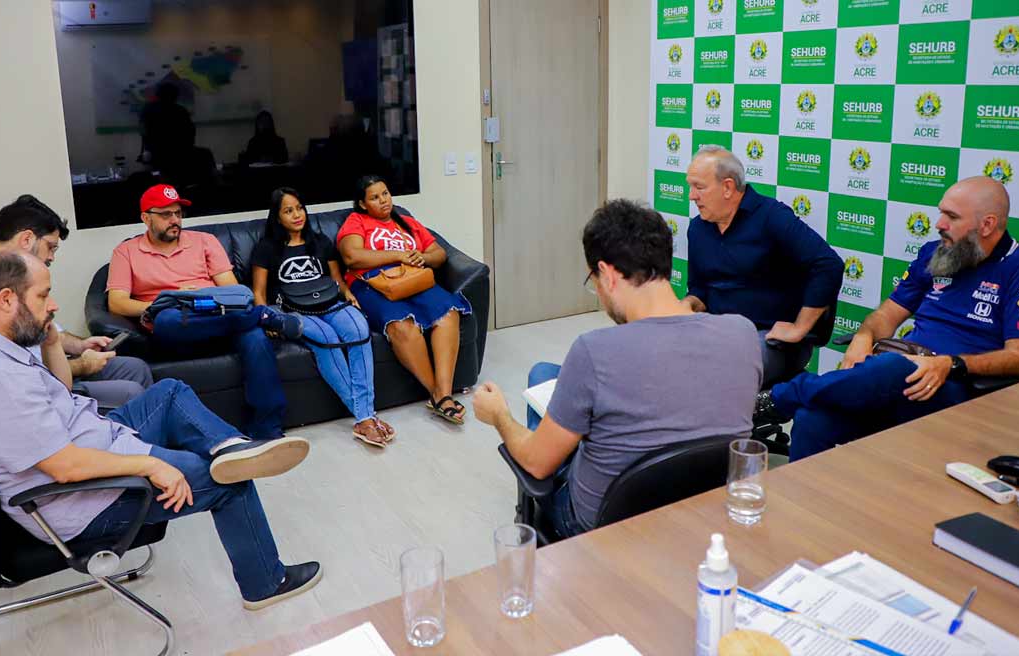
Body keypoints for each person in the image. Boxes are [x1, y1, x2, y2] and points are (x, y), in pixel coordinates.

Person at [0, 251, 320, 609]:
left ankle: (230, 446)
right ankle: (266, 582)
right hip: (84, 499)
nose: (53, 304)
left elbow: (60, 394)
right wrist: (150, 465)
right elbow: (64, 467)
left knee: (169, 392)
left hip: (92, 440)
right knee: (228, 481)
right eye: (43, 295)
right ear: (7, 299)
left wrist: (52, 343)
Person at [472, 199, 762, 539]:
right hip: (707, 509)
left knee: (543, 416)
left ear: (608, 275)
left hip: (605, 525)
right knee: (543, 373)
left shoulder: (593, 352)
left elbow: (537, 464)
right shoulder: (743, 333)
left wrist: (499, 416)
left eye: (593, 279)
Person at [756, 177, 1019, 461]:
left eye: (952, 217)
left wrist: (951, 364)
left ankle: (778, 399)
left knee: (893, 366)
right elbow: (887, 314)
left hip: (961, 387)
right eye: (940, 213)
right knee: (812, 418)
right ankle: (802, 506)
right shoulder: (935, 253)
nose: (939, 224)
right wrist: (863, 337)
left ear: (987, 224)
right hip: (905, 376)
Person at [106, 184, 302, 440]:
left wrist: (198, 299)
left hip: (218, 319)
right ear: (146, 218)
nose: (174, 220)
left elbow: (232, 290)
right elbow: (117, 303)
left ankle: (267, 429)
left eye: (178, 213)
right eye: (166, 215)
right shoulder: (126, 251)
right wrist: (170, 302)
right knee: (167, 319)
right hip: (178, 331)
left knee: (255, 337)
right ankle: (262, 316)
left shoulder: (204, 241)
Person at [683, 146, 843, 387]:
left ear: (727, 187)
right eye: (690, 186)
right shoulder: (698, 228)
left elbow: (828, 265)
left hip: (768, 338)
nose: (691, 196)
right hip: (718, 332)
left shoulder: (772, 217)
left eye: (699, 187)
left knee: (716, 372)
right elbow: (700, 288)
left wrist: (800, 327)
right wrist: (686, 305)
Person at [251, 188, 395, 447]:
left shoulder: (320, 241)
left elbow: (336, 279)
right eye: (288, 210)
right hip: (291, 309)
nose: (297, 215)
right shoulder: (266, 248)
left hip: (329, 302)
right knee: (327, 338)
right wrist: (266, 318)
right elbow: (259, 292)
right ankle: (366, 416)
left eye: (299, 208)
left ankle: (365, 418)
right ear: (277, 216)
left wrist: (348, 294)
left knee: (359, 330)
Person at [0, 194, 153, 409]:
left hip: (56, 367)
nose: (52, 257)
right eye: (51, 247)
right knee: (131, 392)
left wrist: (81, 345)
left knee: (135, 368)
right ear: (26, 239)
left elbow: (48, 332)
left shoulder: (22, 276)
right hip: (36, 387)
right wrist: (82, 365)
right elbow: (26, 370)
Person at [337, 175, 473, 425]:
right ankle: (439, 396)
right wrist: (399, 254)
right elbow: (352, 257)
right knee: (401, 324)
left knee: (448, 312)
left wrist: (423, 257)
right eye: (375, 197)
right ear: (363, 204)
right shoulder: (356, 221)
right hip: (373, 283)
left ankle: (442, 394)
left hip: (414, 278)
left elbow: (439, 253)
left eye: (386, 193)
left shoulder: (407, 222)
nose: (383, 200)